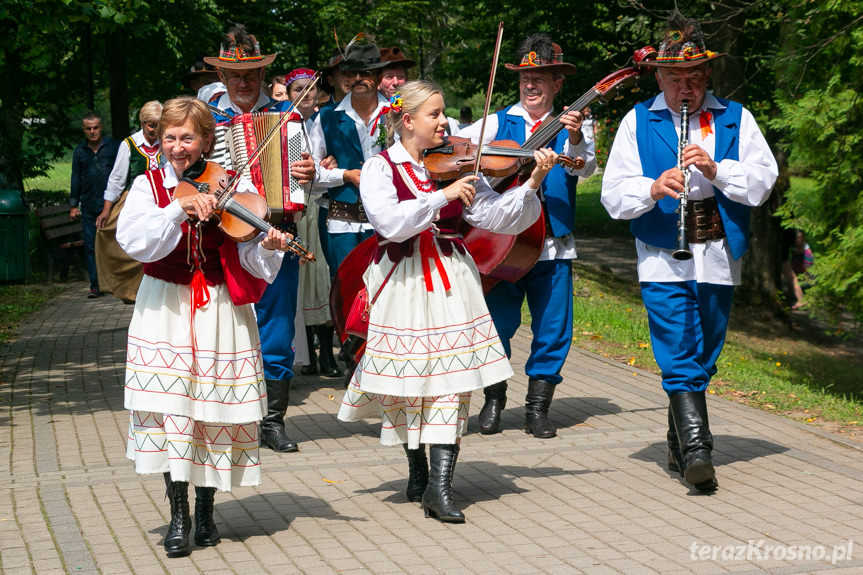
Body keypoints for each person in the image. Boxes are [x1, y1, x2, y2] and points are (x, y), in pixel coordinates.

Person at [337, 80, 558, 522]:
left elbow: (495, 217)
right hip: (403, 280)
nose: (445, 123)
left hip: (452, 278)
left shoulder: (456, 167)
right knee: (408, 381)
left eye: (444, 114)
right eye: (435, 114)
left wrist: (532, 182)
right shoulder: (381, 168)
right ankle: (417, 472)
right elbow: (390, 223)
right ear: (408, 121)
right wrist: (441, 197)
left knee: (451, 382)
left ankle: (439, 486)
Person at [601, 13, 778, 492]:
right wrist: (654, 187)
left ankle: (679, 437)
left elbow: (763, 183)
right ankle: (700, 450)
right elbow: (613, 194)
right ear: (659, 77)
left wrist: (718, 170)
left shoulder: (737, 117)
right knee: (677, 349)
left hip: (719, 249)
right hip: (663, 251)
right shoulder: (638, 120)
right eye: (675, 78)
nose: (685, 87)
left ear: (707, 77)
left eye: (694, 77)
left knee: (705, 351)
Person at [118, 96, 294, 557]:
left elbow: (250, 257)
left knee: (209, 409)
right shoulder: (147, 186)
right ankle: (179, 516)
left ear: (205, 140)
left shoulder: (231, 185)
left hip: (218, 307)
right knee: (173, 409)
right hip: (165, 307)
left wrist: (271, 244)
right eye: (170, 137)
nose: (178, 147)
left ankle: (208, 511)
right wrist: (180, 209)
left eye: (188, 137)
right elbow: (137, 243)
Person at [459, 34, 597, 439]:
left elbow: (583, 169)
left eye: (541, 77)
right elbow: (458, 145)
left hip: (553, 243)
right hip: (505, 245)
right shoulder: (498, 121)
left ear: (557, 84)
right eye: (525, 77)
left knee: (553, 329)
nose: (531, 84)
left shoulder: (574, 124)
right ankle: (494, 398)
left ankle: (537, 408)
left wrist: (572, 138)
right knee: (496, 324)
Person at [204, 24, 317, 454]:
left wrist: (306, 174)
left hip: (276, 228)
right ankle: (227, 414)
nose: (244, 81)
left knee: (277, 326)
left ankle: (272, 422)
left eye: (251, 73)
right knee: (222, 323)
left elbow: (307, 174)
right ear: (222, 76)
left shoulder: (286, 119)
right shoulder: (208, 119)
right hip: (223, 234)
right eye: (235, 75)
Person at [273, 67, 343, 378]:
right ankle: (306, 354)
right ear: (288, 94)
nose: (306, 93)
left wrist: (330, 162)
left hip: (319, 206)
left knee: (322, 278)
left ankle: (327, 352)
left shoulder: (324, 120)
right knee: (300, 283)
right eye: (299, 88)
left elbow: (332, 157)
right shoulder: (282, 124)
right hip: (294, 207)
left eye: (311, 87)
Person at [95, 101, 162, 303]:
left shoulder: (167, 142)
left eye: (158, 124)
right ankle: (130, 291)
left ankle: (159, 287)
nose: (155, 130)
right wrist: (106, 209)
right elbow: (116, 179)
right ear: (142, 123)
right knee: (122, 238)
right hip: (134, 200)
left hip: (161, 200)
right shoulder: (129, 144)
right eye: (151, 125)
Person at [70, 112, 120, 298]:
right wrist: (74, 204)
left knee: (115, 244)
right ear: (84, 130)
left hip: (112, 205)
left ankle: (116, 283)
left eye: (95, 128)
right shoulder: (79, 152)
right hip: (90, 204)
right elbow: (76, 178)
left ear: (101, 128)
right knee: (91, 246)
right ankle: (95, 285)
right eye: (88, 129)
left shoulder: (114, 147)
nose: (92, 132)